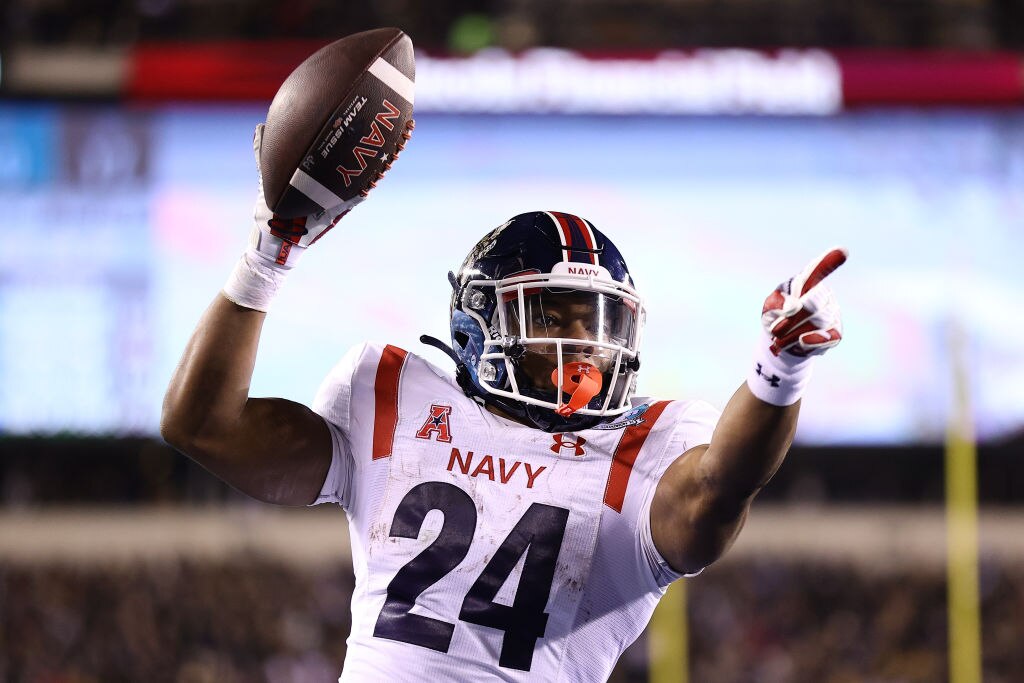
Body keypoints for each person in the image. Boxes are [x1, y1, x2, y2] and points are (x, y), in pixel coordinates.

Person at [161, 124, 845, 682]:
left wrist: (778, 369)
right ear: (477, 324)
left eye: (597, 321)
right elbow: (203, 425)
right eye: (555, 314)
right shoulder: (393, 393)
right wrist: (269, 251)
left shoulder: (644, 447)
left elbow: (719, 487)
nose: (584, 341)